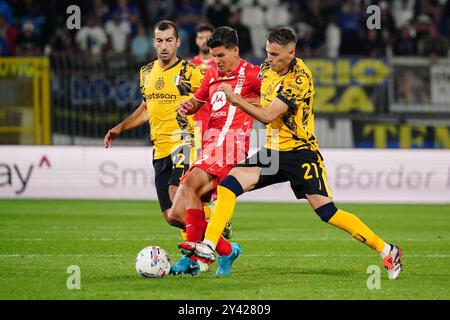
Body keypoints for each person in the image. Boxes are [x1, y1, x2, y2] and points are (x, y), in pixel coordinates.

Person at [181, 27, 403, 280]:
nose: (269, 60)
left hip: (301, 154)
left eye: (275, 55)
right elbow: (263, 103)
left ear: (291, 53)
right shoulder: (266, 69)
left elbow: (267, 115)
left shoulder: (300, 78)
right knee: (229, 186)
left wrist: (236, 99)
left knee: (327, 213)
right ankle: (209, 246)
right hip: (274, 151)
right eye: (267, 53)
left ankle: (387, 249)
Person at [170, 26, 261, 276]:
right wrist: (187, 106)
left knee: (188, 185)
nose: (217, 61)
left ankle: (191, 259)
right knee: (176, 213)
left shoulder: (253, 75)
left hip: (231, 144)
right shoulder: (210, 75)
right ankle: (227, 251)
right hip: (210, 144)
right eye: (213, 55)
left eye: (221, 55)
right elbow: (197, 101)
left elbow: (274, 103)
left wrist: (240, 100)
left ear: (235, 50)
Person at [104, 20, 203, 229]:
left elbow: (213, 96)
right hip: (160, 148)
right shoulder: (146, 72)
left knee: (175, 194)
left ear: (178, 42)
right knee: (171, 216)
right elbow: (146, 109)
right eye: (160, 41)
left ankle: (199, 252)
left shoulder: (190, 72)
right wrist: (119, 128)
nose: (164, 46)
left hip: (184, 141)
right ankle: (216, 236)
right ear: (153, 42)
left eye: (169, 40)